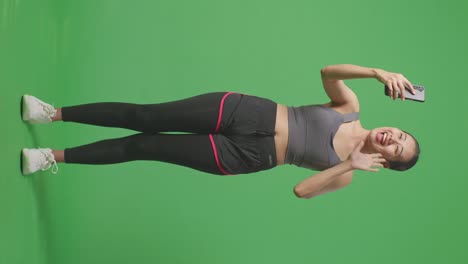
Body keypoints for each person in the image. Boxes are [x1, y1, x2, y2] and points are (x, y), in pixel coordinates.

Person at [20, 64, 420, 198]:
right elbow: (327, 72)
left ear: (388, 162)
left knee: (146, 146)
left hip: (248, 157)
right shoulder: (350, 108)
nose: (393, 138)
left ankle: (50, 157)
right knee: (147, 116)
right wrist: (376, 72)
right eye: (401, 134)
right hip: (250, 114)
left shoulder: (346, 175)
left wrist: (348, 163)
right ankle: (50, 114)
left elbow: (300, 190)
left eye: (398, 149)